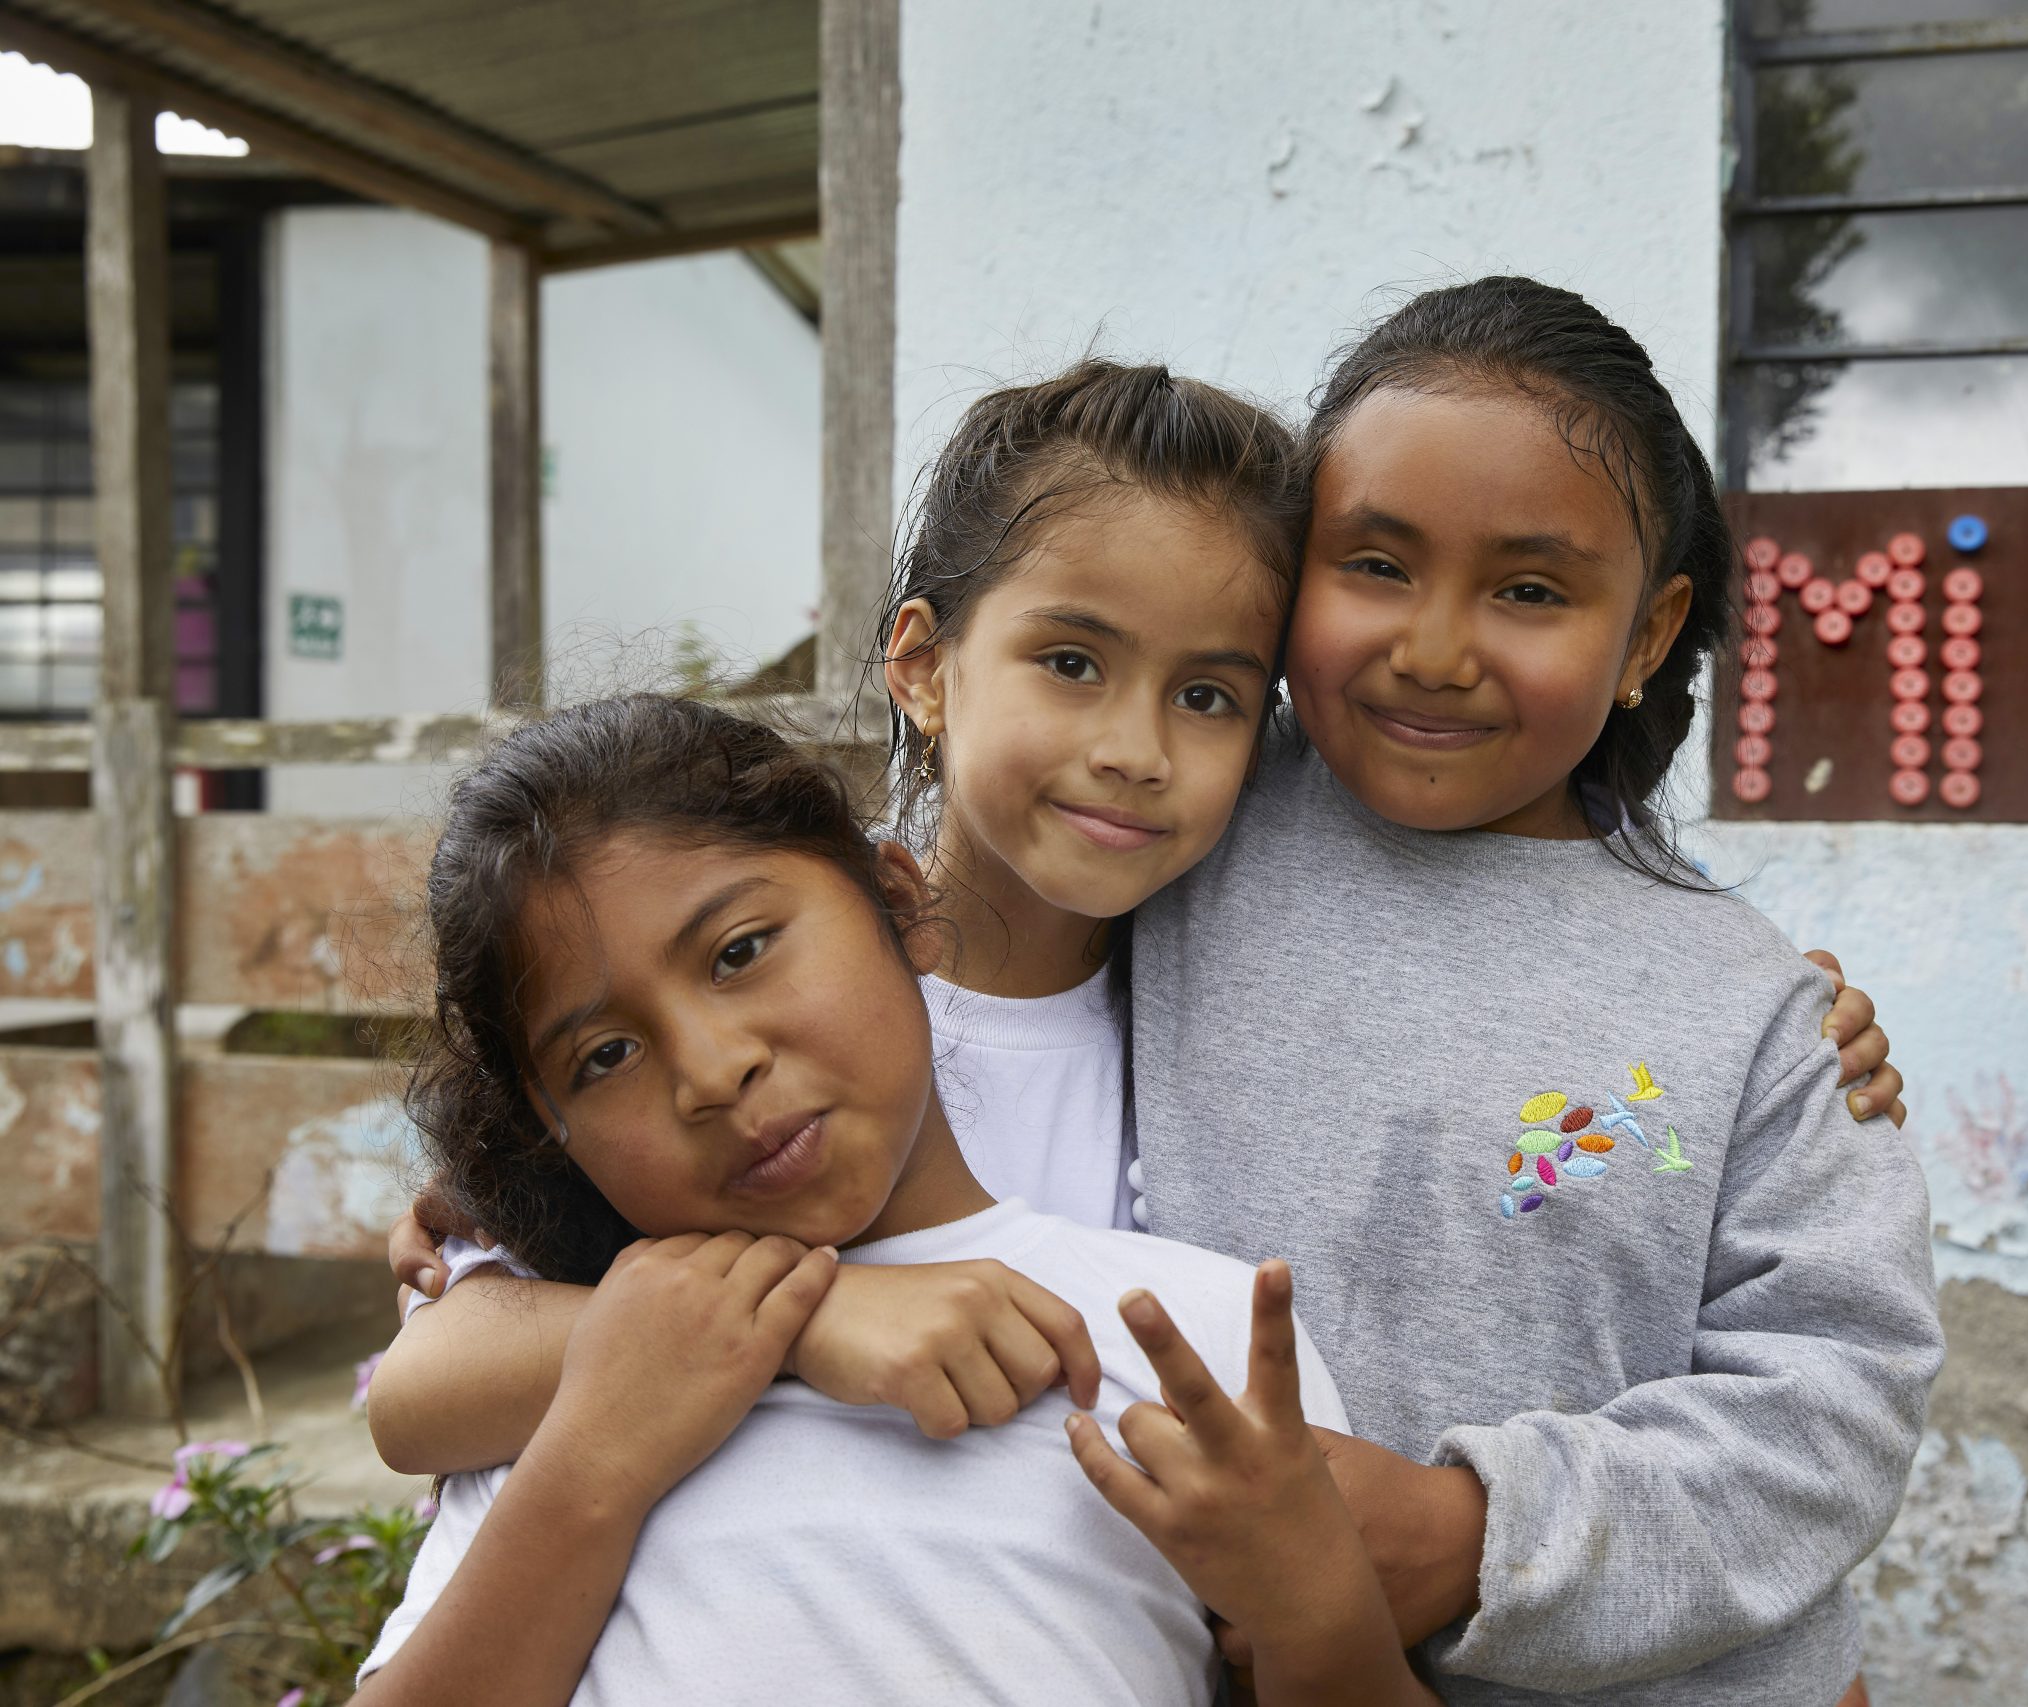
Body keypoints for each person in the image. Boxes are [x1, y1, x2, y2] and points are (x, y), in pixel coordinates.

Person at [377, 351, 1917, 1704]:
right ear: (921, 663)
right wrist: (810, 1311)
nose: (1132, 750)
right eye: (1070, 662)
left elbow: (1532, 902)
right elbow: (426, 1379)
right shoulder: (778, 1034)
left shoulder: (1241, 934)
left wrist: (1735, 997)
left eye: (1209, 695)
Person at [1126, 277, 1944, 1707]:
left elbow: (1831, 1408)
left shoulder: (1748, 1012)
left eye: (1529, 590)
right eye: (1373, 562)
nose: (1435, 647)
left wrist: (1470, 1533)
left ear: (1645, 633)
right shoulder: (1171, 843)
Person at [356, 694, 1429, 1706]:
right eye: (606, 1056)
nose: (711, 1071)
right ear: (555, 1131)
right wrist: (600, 1454)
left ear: (902, 908)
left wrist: (1321, 1613)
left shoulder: (1194, 1336)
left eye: (739, 952)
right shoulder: (589, 1359)